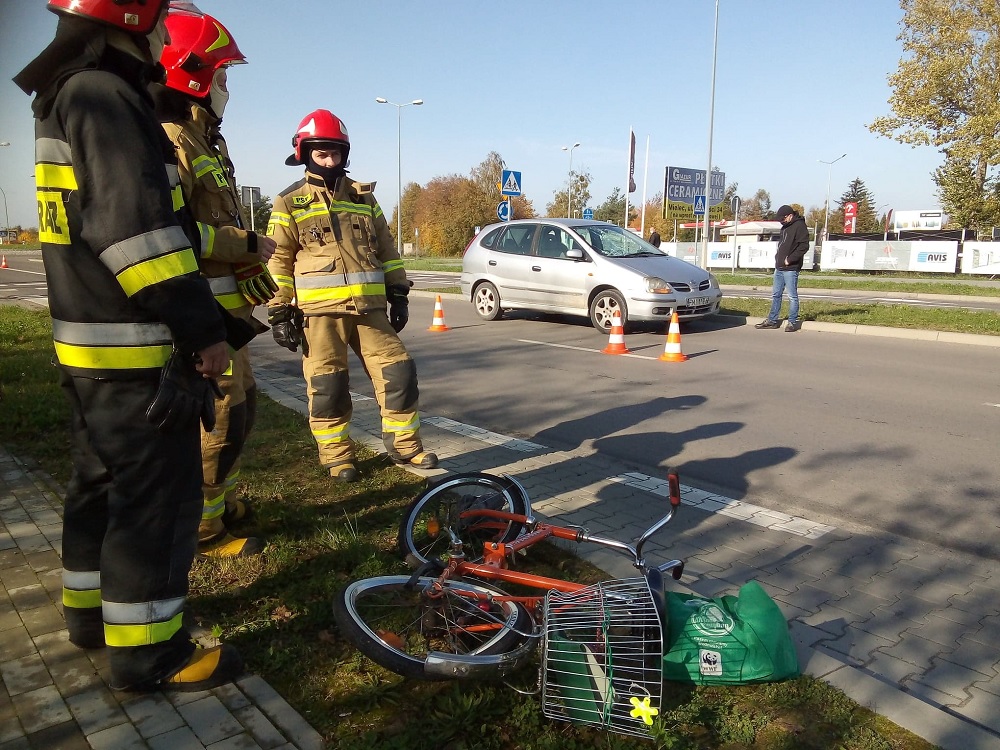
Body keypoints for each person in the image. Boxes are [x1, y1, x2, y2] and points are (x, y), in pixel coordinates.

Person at [14, 0, 243, 690]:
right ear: (132, 14)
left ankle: (88, 614)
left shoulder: (65, 95)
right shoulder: (107, 97)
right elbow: (138, 238)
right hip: (134, 349)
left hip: (88, 348)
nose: (164, 34)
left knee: (98, 484)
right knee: (156, 501)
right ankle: (151, 652)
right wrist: (202, 331)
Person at [154, 2, 275, 558]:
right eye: (221, 75)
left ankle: (216, 500)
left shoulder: (208, 141)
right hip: (198, 319)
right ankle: (202, 529)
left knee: (240, 412)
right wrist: (248, 246)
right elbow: (179, 234)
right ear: (192, 74)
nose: (226, 87)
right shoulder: (173, 140)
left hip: (226, 319)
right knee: (218, 419)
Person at [266, 109, 437, 482]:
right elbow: (278, 259)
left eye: (336, 152)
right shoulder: (289, 202)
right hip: (319, 313)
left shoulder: (364, 198)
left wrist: (399, 292)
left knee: (399, 373)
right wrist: (279, 311)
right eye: (321, 153)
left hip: (369, 310)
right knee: (328, 386)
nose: (329, 160)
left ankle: (406, 446)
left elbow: (388, 249)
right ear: (304, 152)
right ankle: (337, 456)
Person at [755, 204, 809, 332]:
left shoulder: (800, 226)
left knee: (792, 296)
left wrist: (790, 259)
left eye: (783, 219)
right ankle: (772, 320)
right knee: (776, 294)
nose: (781, 222)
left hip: (791, 268)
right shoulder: (785, 227)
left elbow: (804, 246)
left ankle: (792, 322)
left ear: (790, 216)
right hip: (779, 267)